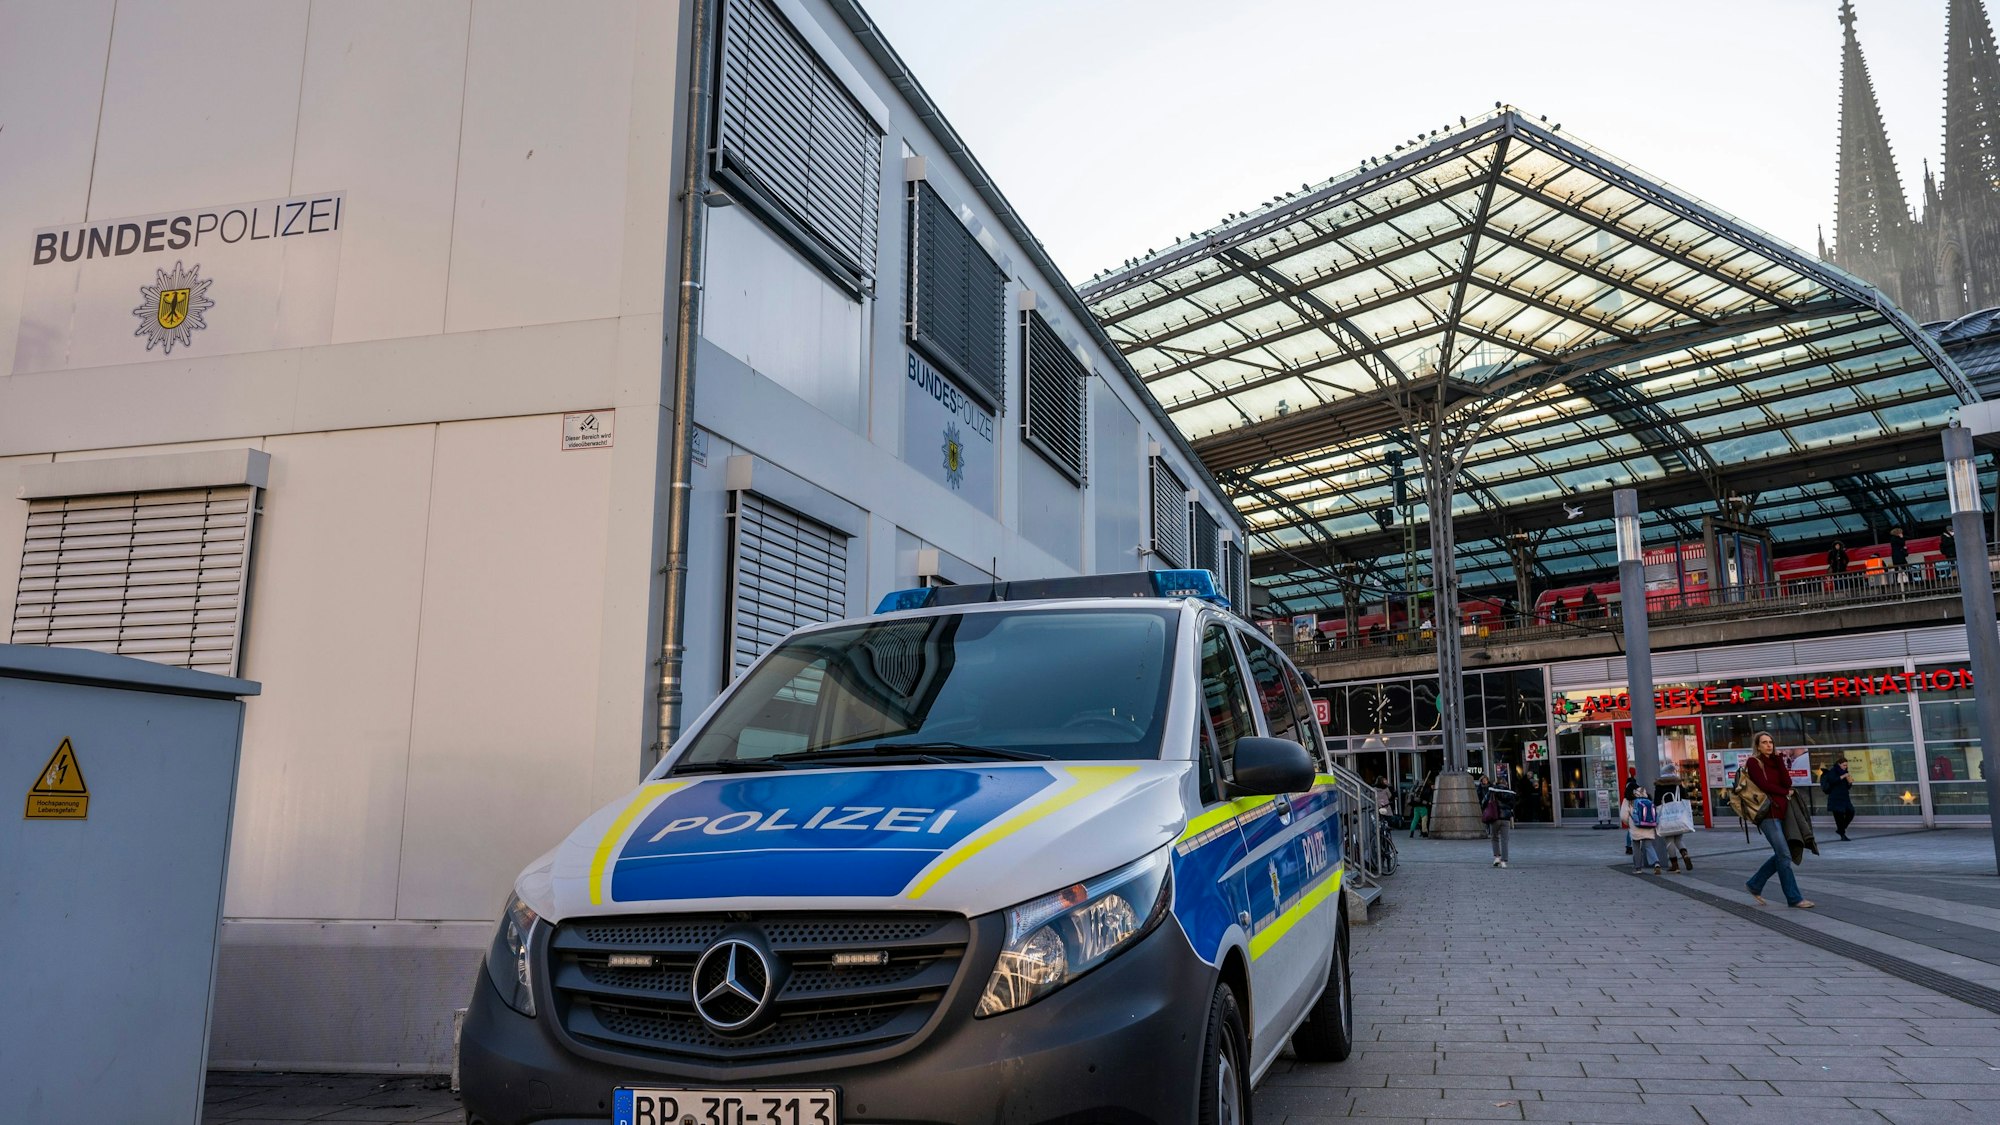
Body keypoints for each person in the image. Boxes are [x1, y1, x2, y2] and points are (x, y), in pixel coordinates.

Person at [1743, 731, 1813, 908]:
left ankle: (1755, 884)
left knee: (1783, 854)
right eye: (1764, 742)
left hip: (1784, 814)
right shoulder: (1753, 762)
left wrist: (1780, 761)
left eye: (1771, 742)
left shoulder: (1776, 761)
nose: (1768, 745)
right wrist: (1784, 792)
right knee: (1784, 855)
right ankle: (1794, 898)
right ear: (1757, 746)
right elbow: (1763, 785)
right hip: (1767, 815)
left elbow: (1787, 782)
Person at [1654, 767, 1694, 872]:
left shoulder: (1659, 786)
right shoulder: (1678, 784)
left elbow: (1657, 801)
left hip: (1666, 818)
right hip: (1679, 817)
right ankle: (1685, 854)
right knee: (1678, 839)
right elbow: (1685, 798)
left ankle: (1675, 865)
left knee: (1669, 841)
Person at [1479, 763, 1517, 868]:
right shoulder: (1510, 792)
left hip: (1494, 817)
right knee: (1505, 839)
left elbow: (1484, 802)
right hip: (1506, 819)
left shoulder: (1492, 791)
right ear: (1505, 783)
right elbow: (1513, 805)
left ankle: (1497, 857)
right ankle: (1504, 861)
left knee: (1494, 838)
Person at [1626, 781, 1662, 874]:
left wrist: (1629, 822)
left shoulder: (1629, 800)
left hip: (1636, 826)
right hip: (1649, 825)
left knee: (1636, 847)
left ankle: (1638, 868)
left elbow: (1623, 816)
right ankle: (1656, 863)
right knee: (1649, 846)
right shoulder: (1648, 798)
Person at [1820, 755, 1855, 841]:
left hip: (1844, 797)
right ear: (1839, 764)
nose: (1845, 767)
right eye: (1844, 765)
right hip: (1835, 797)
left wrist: (1849, 783)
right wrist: (1842, 777)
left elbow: (1847, 786)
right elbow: (1832, 781)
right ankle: (1842, 834)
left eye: (1846, 765)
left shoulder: (1845, 772)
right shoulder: (1833, 771)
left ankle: (1840, 829)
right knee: (1839, 817)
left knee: (1851, 812)